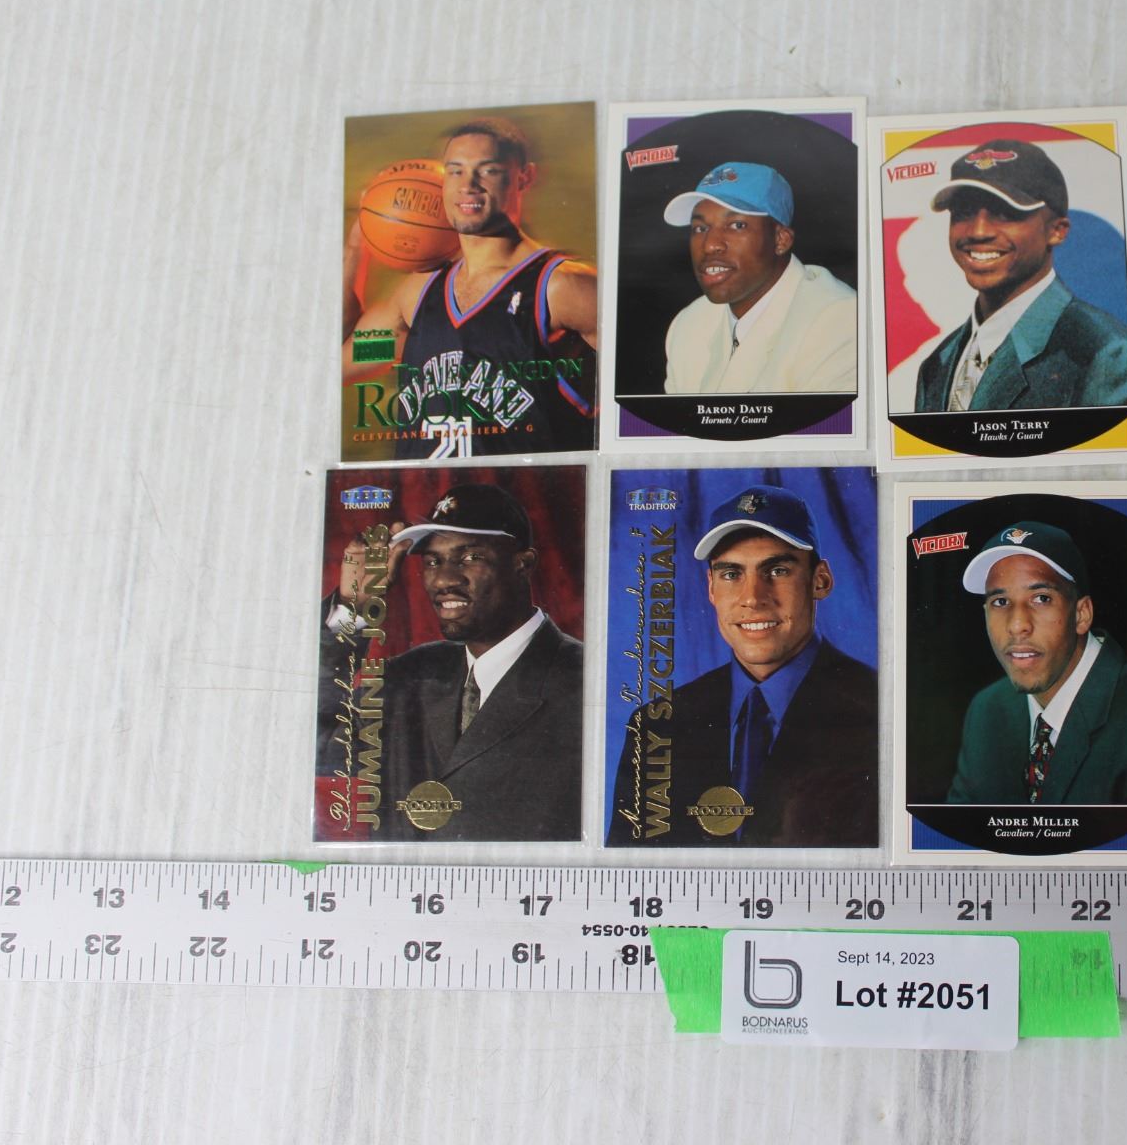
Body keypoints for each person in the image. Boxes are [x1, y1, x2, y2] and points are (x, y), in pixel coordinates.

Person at [607, 484, 876, 846]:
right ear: (711, 588)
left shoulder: (882, 712)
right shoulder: (656, 725)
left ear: (820, 580)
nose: (752, 598)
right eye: (732, 574)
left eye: (777, 570)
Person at [327, 483, 584, 841]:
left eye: (470, 557)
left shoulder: (587, 683)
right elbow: (317, 745)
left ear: (523, 564)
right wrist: (352, 609)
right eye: (433, 561)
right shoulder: (406, 679)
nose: (444, 579)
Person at [344, 117, 599, 458]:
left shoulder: (560, 287)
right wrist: (357, 246)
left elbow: (647, 393)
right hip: (424, 492)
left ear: (524, 177)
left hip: (524, 491)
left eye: (488, 170)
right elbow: (343, 359)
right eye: (455, 171)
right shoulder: (419, 295)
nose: (468, 185)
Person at [945, 522, 1127, 805]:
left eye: (1041, 598)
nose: (1017, 625)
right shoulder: (988, 711)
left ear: (1081, 614)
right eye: (1000, 602)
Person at [912, 140, 1127, 413]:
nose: (978, 231)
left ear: (1057, 230)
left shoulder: (1106, 353)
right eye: (963, 213)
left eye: (1005, 213)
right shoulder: (938, 363)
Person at [659, 162, 857, 395]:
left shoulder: (838, 321)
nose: (710, 245)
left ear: (781, 240)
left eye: (736, 225)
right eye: (700, 228)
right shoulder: (689, 324)